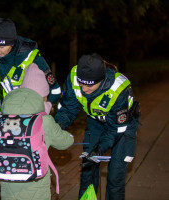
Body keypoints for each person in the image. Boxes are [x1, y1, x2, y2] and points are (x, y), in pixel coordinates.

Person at [54, 54, 140, 200]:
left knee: (115, 177)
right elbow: (68, 109)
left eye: (90, 85)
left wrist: (100, 149)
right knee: (88, 170)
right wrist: (55, 127)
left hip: (122, 127)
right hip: (96, 120)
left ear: (101, 80)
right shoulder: (75, 77)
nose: (84, 89)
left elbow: (114, 130)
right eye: (82, 84)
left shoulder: (118, 90)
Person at [0, 64, 74, 200]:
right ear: (43, 96)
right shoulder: (44, 120)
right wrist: (71, 136)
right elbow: (64, 143)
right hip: (36, 185)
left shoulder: (3, 117)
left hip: (8, 182)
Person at [0, 17, 62, 116]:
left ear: (12, 43)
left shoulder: (31, 58)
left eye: (1, 47)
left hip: (23, 123)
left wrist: (46, 107)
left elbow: (55, 90)